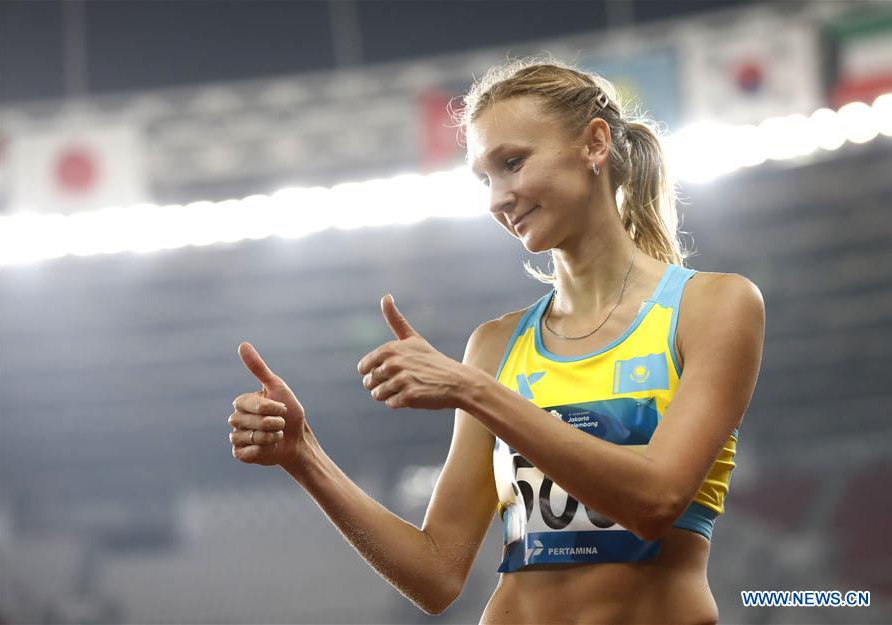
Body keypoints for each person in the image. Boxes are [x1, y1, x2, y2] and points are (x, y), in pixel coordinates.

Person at [227, 57, 765, 624]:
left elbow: (655, 503)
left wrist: (473, 390)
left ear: (595, 144)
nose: (496, 199)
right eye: (485, 178)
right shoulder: (495, 346)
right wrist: (303, 455)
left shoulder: (712, 307)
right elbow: (437, 574)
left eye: (512, 163)